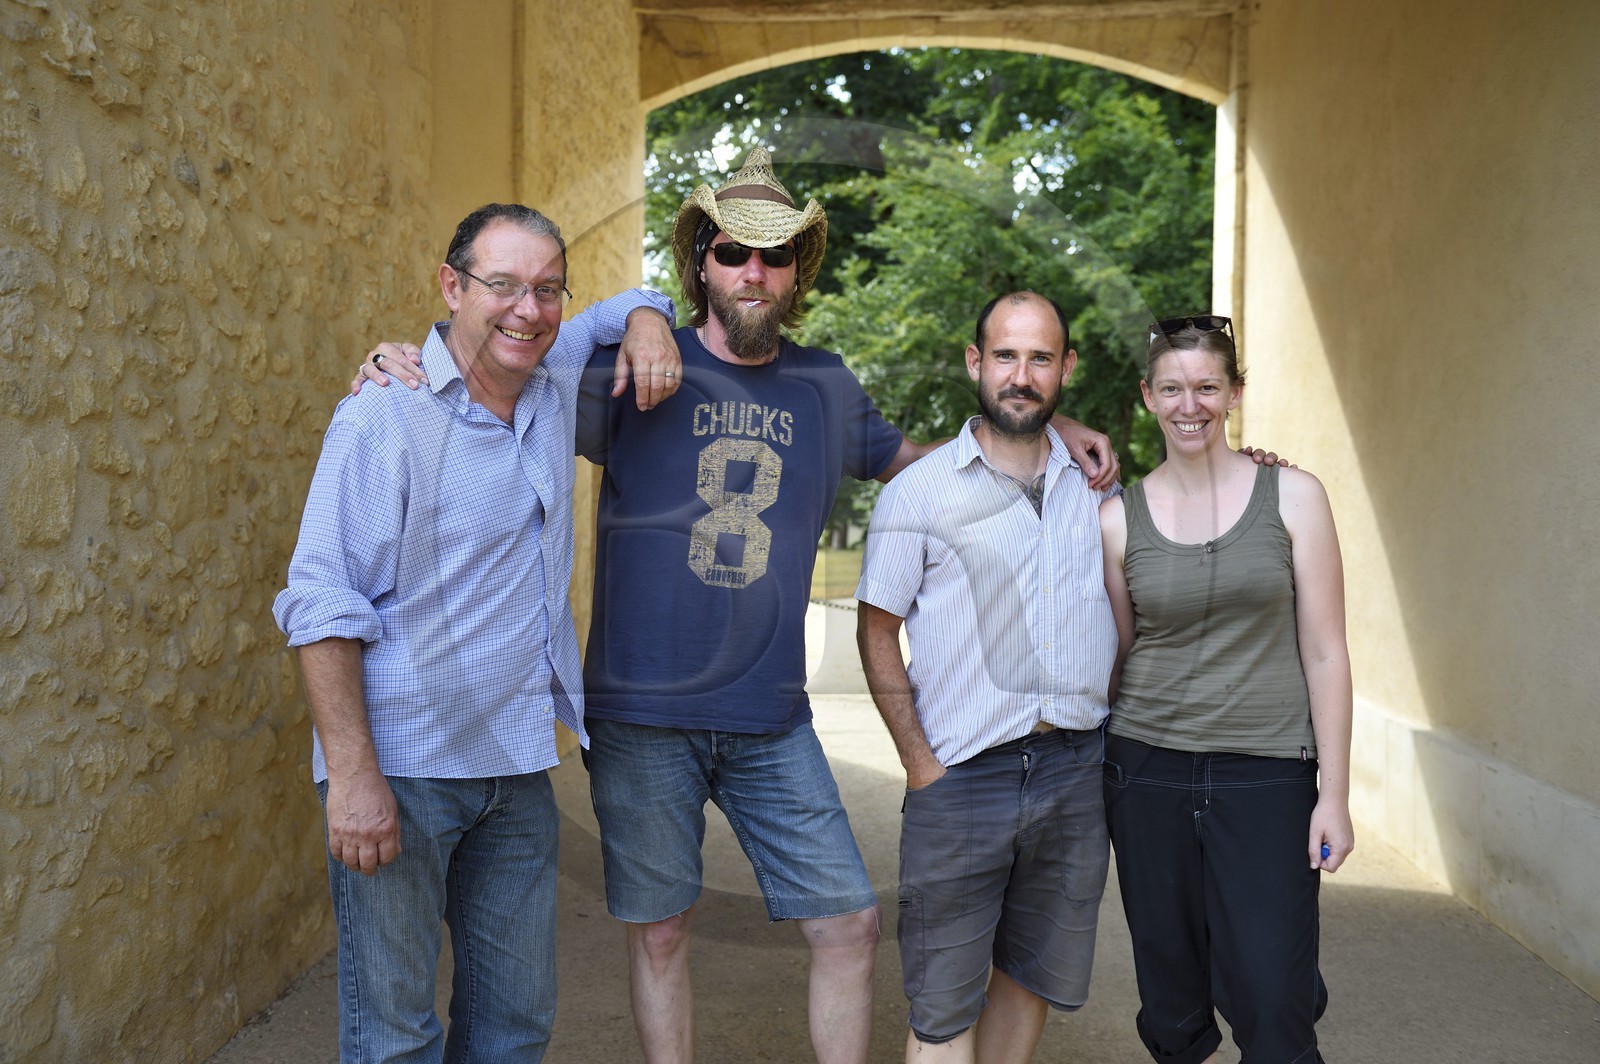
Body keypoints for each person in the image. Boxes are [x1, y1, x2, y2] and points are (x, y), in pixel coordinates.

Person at [356, 148, 1119, 1064]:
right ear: (701, 264)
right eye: (730, 252)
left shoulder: (825, 384)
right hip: (641, 715)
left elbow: (929, 465)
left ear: (798, 272)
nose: (753, 271)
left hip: (772, 715)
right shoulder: (626, 367)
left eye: (775, 254)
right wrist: (401, 359)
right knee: (662, 931)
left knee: (849, 923)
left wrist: (1042, 419)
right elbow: (500, 368)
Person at [272, 203, 679, 1063]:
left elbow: (631, 300)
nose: (528, 309)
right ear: (451, 287)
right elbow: (321, 601)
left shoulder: (552, 373)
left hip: (516, 768)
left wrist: (649, 320)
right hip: (405, 768)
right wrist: (352, 777)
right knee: (394, 1036)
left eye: (548, 289)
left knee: (514, 1026)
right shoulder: (384, 415)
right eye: (503, 286)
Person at [855, 292, 1117, 1064]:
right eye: (1005, 355)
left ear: (1066, 369)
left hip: (1074, 774)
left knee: (1030, 980)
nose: (1021, 376)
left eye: (1040, 358)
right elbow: (876, 631)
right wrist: (919, 766)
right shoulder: (918, 493)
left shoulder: (1097, 492)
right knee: (942, 1008)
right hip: (961, 776)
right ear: (976, 363)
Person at [1098, 315, 1354, 1064]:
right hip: (1145, 772)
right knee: (1172, 1005)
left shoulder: (1295, 496)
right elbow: (1119, 653)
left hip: (1268, 773)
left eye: (1208, 387)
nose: (1191, 405)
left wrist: (1333, 796)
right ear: (1148, 396)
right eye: (1172, 389)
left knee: (1274, 999)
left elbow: (1327, 652)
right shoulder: (1116, 520)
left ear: (1235, 392)